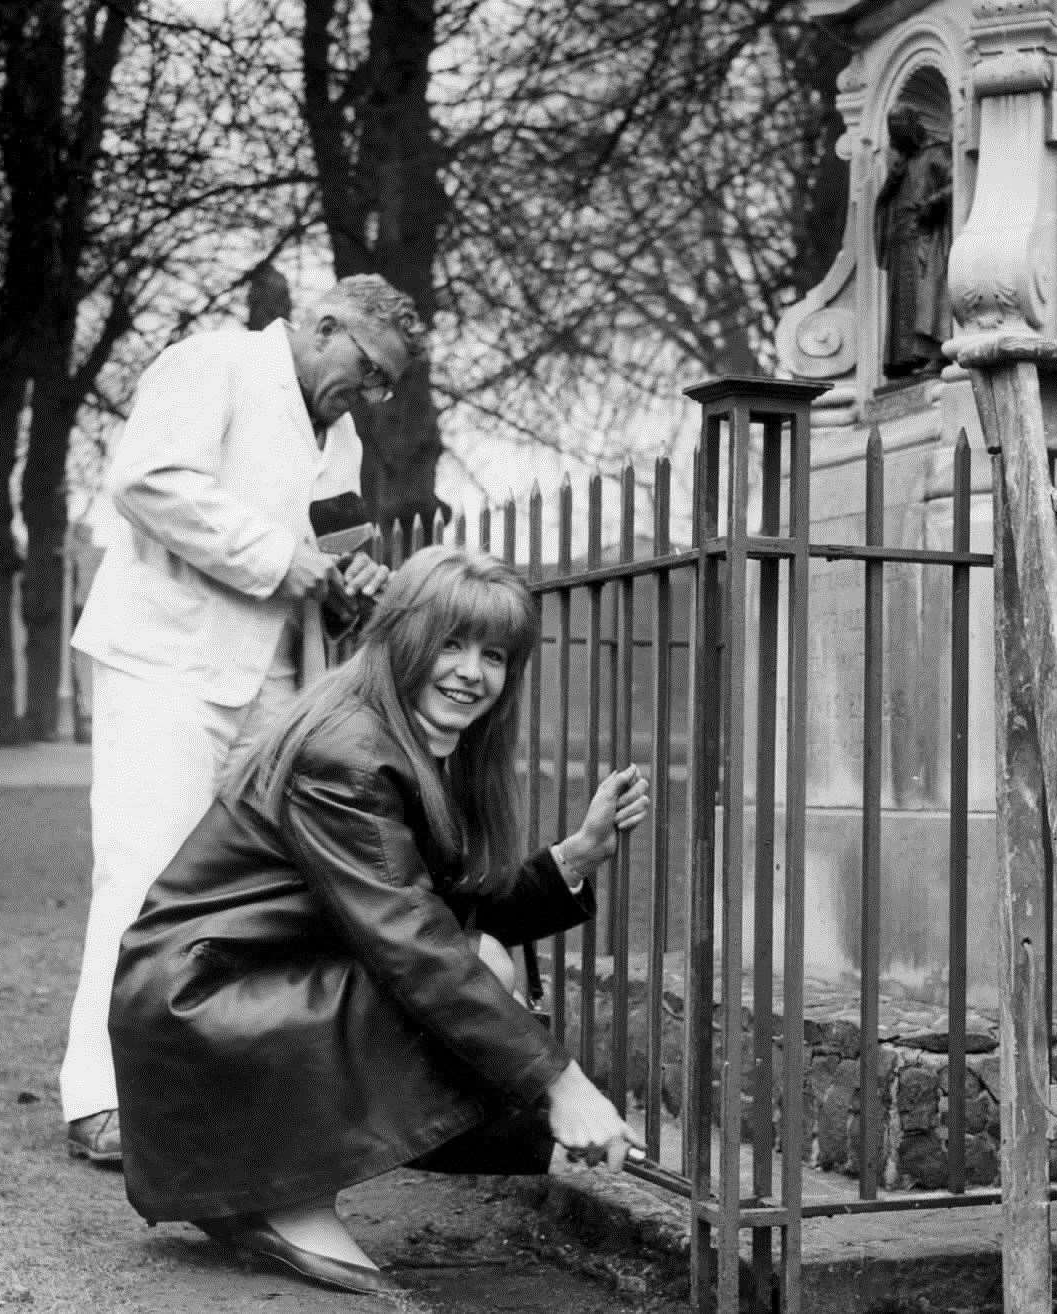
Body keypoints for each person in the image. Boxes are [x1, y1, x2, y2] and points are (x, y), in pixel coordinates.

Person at [107, 546, 650, 1306]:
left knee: (478, 956)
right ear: (399, 637)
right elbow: (416, 943)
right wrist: (560, 1083)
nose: (470, 671)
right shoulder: (350, 753)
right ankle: (282, 1198)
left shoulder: (399, 741)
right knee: (476, 965)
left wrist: (575, 856)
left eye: (493, 654)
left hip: (241, 986)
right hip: (203, 1001)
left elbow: (435, 907)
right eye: (450, 643)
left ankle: (267, 1190)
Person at [60, 275, 425, 1164]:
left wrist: (353, 584)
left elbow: (337, 549)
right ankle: (99, 1100)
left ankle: (202, 1086)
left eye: (386, 386)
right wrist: (278, 559)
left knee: (243, 890)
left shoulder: (335, 436)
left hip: (269, 685)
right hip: (166, 662)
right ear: (324, 325)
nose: (370, 396)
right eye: (369, 371)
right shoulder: (212, 361)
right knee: (142, 875)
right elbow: (144, 480)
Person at [873, 103, 953, 378]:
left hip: (924, 236)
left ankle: (931, 354)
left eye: (900, 127)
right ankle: (902, 360)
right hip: (900, 239)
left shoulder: (937, 153)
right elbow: (886, 201)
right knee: (901, 302)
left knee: (924, 298)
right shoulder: (902, 163)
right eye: (892, 129)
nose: (896, 135)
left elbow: (955, 184)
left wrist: (933, 202)